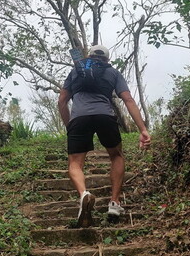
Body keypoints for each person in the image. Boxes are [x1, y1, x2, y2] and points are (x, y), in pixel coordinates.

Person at [57, 44, 151, 227]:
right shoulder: (112, 72)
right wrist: (142, 129)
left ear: (89, 57)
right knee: (116, 155)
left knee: (75, 163)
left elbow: (62, 100)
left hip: (79, 118)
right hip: (105, 117)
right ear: (106, 60)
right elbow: (128, 99)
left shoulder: (76, 71)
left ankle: (84, 194)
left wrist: (70, 125)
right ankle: (114, 203)